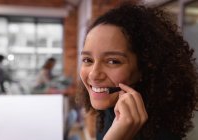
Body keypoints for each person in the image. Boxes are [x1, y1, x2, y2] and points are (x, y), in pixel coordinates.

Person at [76, 2, 198, 140]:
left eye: (113, 61)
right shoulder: (110, 109)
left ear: (144, 66)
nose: (93, 74)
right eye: (88, 60)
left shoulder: (161, 134)